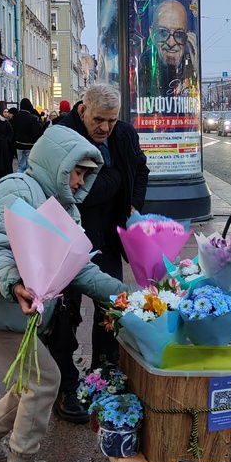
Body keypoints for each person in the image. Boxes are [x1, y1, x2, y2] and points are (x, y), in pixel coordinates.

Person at [0, 126, 127, 462]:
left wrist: (127, 298)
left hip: (14, 310)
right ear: (56, 163)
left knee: (28, 382)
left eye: (85, 174)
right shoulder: (16, 188)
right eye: (77, 171)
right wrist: (15, 284)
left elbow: (79, 268)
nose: (80, 181)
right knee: (45, 381)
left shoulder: (60, 205)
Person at [47, 82, 148, 422]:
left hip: (106, 240)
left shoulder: (125, 136)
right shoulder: (61, 134)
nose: (105, 128)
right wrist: (117, 179)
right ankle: (65, 387)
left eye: (112, 120)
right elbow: (81, 194)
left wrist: (133, 202)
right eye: (99, 120)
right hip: (68, 240)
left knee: (111, 311)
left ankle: (102, 377)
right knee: (65, 314)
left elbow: (141, 169)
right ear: (82, 111)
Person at [138, 0, 198, 96]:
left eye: (179, 34)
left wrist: (195, 70)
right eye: (163, 33)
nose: (171, 42)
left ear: (188, 37)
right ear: (152, 35)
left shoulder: (190, 67)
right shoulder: (141, 70)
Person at [14, 97, 42, 172]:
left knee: (20, 165)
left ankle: (19, 179)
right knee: (29, 166)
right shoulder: (33, 118)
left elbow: (13, 130)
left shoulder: (16, 117)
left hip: (18, 144)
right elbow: (36, 133)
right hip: (30, 145)